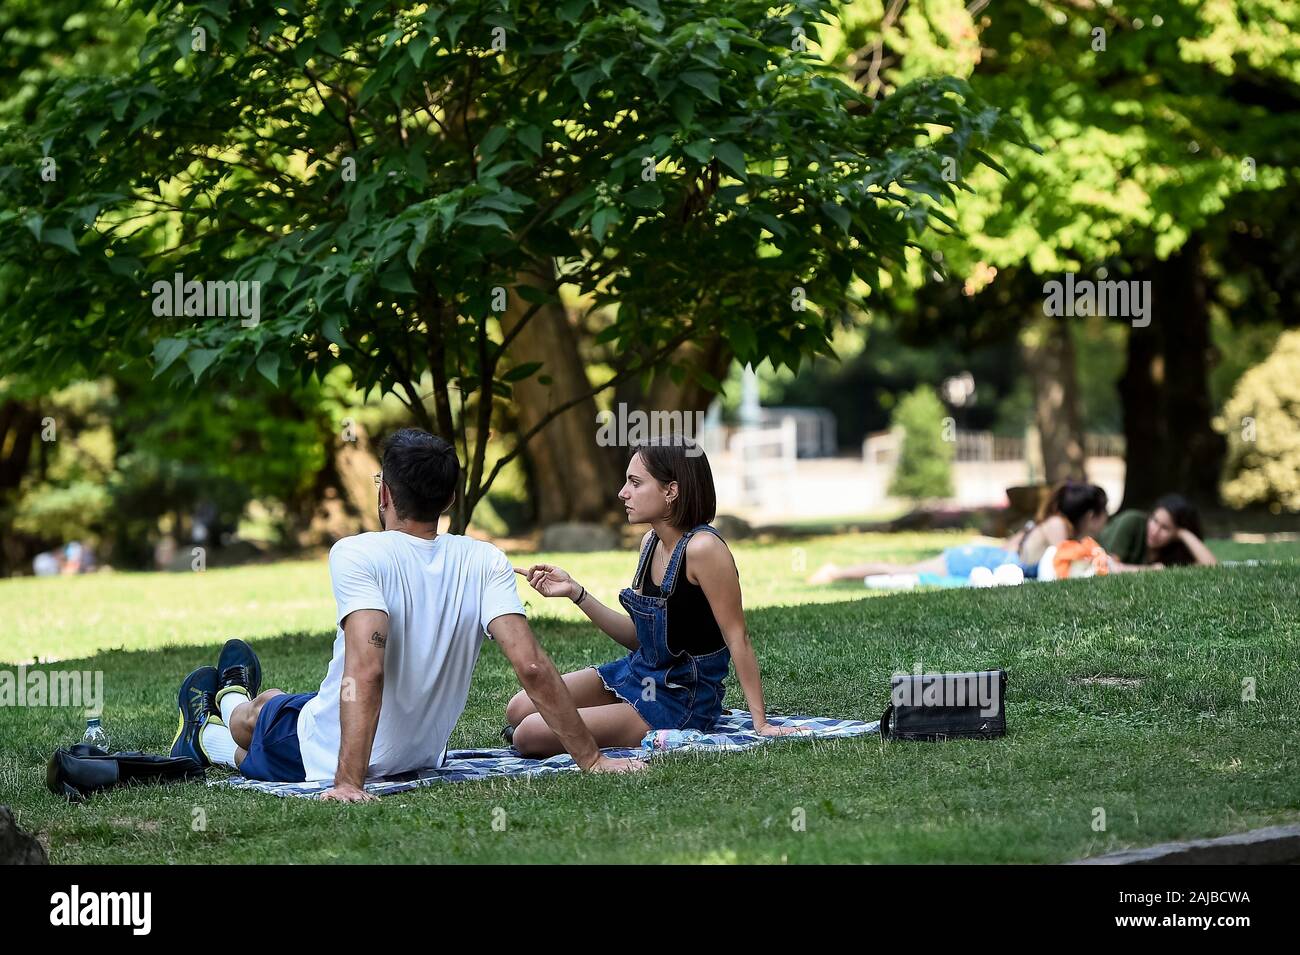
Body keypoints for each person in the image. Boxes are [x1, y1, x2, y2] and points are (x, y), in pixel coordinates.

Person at [168, 428, 641, 802]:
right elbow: (533, 667)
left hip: (327, 753)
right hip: (415, 753)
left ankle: (210, 723)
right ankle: (234, 695)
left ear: (385, 496)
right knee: (278, 700)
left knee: (252, 724)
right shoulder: (486, 560)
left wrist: (349, 782)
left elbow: (367, 668)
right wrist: (593, 760)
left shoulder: (356, 553)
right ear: (451, 500)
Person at [505, 434, 803, 757]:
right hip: (640, 675)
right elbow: (640, 639)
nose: (623, 493)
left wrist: (761, 723)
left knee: (528, 733)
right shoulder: (650, 543)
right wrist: (575, 592)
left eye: (635, 483)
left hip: (678, 701)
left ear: (671, 491)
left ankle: (549, 733)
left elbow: (737, 637)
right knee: (519, 708)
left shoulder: (704, 549)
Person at [808, 480, 1112, 584]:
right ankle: (835, 573)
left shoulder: (1050, 522)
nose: (1105, 522)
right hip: (975, 560)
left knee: (904, 570)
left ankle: (837, 572)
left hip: (982, 557)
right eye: (1103, 516)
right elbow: (1066, 563)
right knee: (901, 570)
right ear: (1089, 515)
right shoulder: (1059, 527)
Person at [1101, 494, 1218, 571]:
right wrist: (1153, 569)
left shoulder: (1175, 547)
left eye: (1165, 528)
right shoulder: (1131, 521)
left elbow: (1212, 566)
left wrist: (1183, 534)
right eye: (1154, 520)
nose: (1155, 531)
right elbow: (1110, 567)